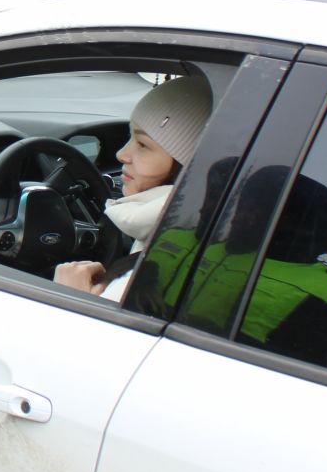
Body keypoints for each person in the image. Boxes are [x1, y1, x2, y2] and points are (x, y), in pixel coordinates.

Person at [54, 72, 212, 301]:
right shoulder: (201, 235)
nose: (121, 154)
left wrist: (70, 297)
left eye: (143, 145)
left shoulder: (148, 276)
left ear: (185, 165)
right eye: (130, 137)